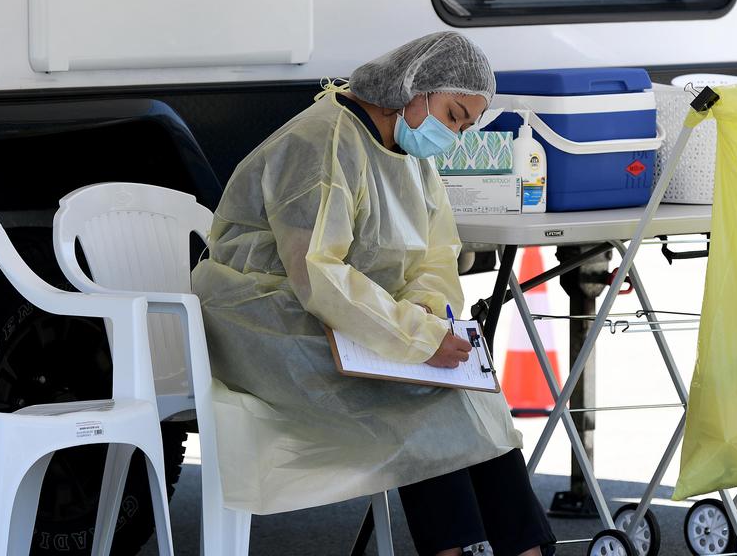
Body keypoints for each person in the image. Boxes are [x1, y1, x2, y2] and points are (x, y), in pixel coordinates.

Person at [192, 32, 555, 556]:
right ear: (415, 88)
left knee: (472, 396)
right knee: (421, 396)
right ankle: (468, 550)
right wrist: (415, 337)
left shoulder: (408, 155)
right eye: (453, 116)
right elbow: (316, 272)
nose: (452, 135)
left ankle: (524, 550)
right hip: (264, 317)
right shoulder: (320, 144)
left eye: (465, 125)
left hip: (345, 316)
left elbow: (435, 253)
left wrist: (428, 315)